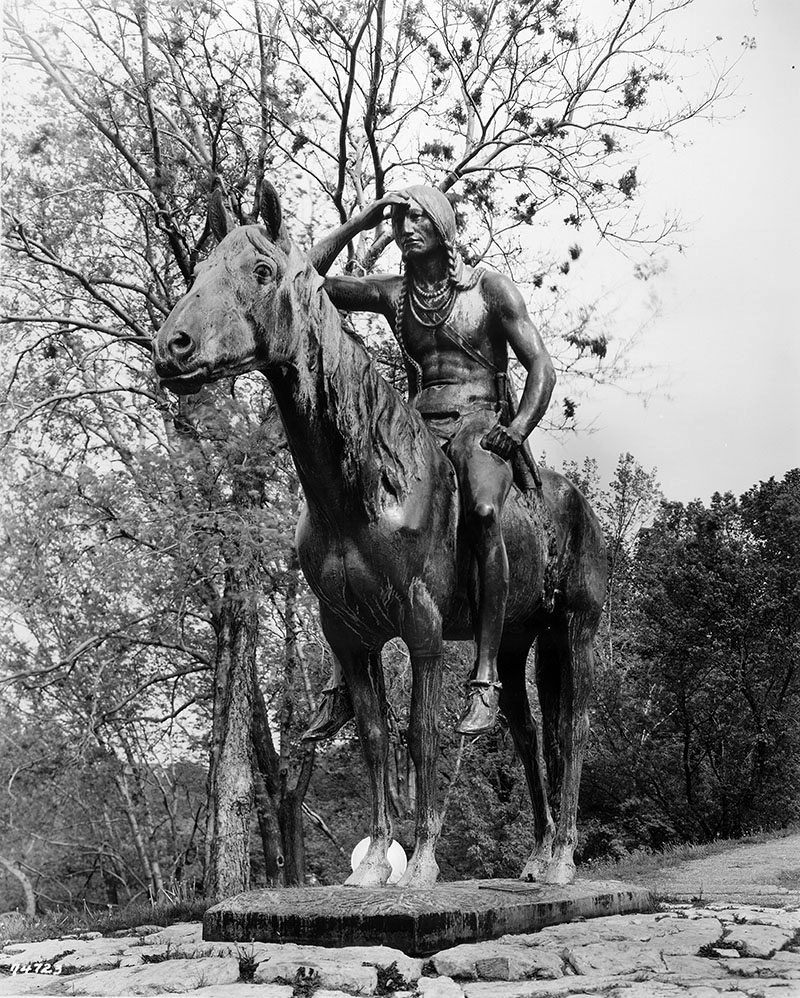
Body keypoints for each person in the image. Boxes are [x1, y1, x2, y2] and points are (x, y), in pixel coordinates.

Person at [302, 185, 555, 738]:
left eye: (417, 217)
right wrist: (358, 222)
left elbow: (541, 367)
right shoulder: (394, 293)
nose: (404, 227)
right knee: (352, 519)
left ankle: (486, 678)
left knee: (485, 509)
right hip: (417, 425)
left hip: (481, 421)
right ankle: (343, 680)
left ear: (442, 226)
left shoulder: (488, 289)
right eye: (397, 220)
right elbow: (305, 280)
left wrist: (516, 430)